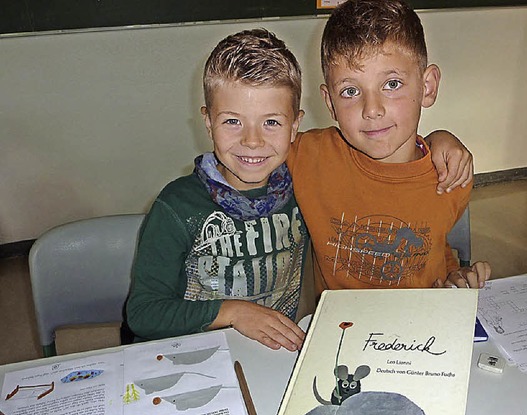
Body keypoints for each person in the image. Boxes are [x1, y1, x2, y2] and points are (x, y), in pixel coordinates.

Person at [125, 28, 473, 351]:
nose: (252, 140)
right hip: (187, 352)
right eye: (232, 121)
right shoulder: (176, 205)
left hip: (273, 353)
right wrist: (234, 312)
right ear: (207, 121)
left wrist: (438, 139)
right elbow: (142, 313)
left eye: (272, 122)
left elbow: (397, 201)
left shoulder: (300, 186)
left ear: (295, 127)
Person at [287, 0, 491, 295]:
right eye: (350, 91)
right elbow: (252, 149)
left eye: (392, 84)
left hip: (419, 329)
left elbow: (434, 245)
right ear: (330, 102)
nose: (372, 109)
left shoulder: (450, 175)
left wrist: (455, 278)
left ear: (428, 87)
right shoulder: (308, 156)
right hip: (342, 329)